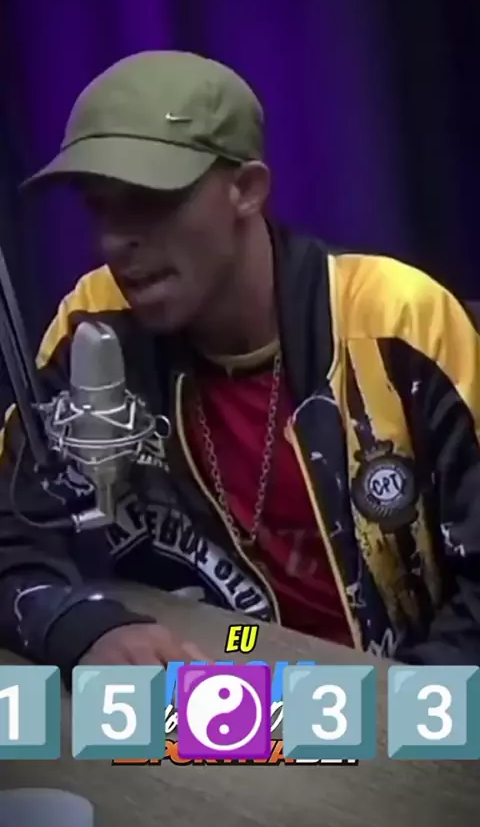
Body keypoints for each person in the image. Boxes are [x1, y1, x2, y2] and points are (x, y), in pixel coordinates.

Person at [1, 51, 480, 685]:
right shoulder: (95, 324)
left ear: (247, 190)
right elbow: (16, 530)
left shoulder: (399, 321)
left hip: (401, 692)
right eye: (101, 207)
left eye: (150, 202)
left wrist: (389, 715)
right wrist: (82, 625)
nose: (115, 240)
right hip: (228, 671)